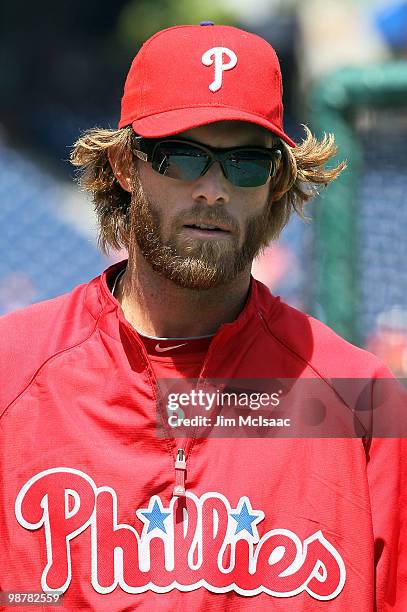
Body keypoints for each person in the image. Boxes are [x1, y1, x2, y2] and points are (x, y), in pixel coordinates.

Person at [0, 23, 405, 612]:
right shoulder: (12, 373)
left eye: (244, 162)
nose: (213, 190)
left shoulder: (360, 402)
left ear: (275, 184)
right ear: (125, 167)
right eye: (182, 156)